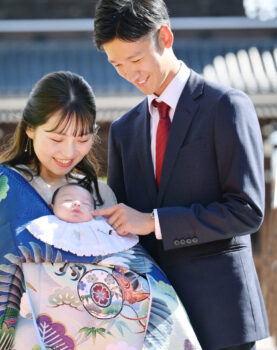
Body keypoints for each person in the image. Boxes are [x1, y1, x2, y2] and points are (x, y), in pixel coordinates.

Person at [0, 71, 201, 349]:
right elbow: (4, 263)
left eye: (82, 139)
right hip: (35, 327)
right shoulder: (10, 183)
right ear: (30, 129)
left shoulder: (99, 193)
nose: (69, 152)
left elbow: (128, 261)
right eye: (57, 139)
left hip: (105, 332)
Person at [92, 1, 269, 349]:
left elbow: (247, 211)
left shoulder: (226, 107)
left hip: (225, 319)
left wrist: (155, 222)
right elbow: (122, 227)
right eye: (117, 65)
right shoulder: (124, 131)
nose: (130, 73)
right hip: (155, 324)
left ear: (165, 36)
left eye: (136, 59)